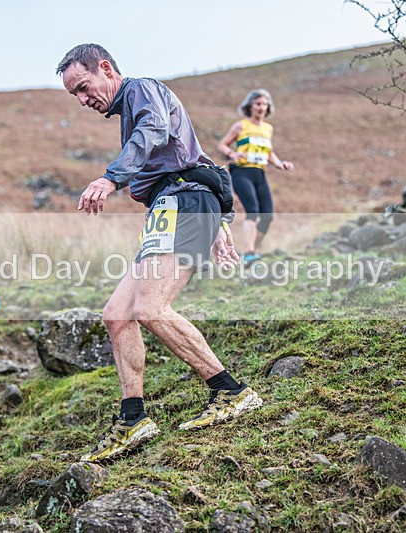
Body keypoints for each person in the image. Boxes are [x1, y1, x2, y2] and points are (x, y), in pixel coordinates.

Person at [57, 44, 263, 462]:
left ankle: (231, 391)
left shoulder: (141, 91)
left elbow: (152, 133)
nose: (82, 100)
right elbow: (197, 159)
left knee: (151, 308)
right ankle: (133, 418)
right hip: (170, 209)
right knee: (117, 314)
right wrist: (221, 223)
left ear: (106, 68)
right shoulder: (133, 106)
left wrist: (112, 178)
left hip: (184, 203)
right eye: (74, 96)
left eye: (83, 87)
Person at [217, 89, 294, 265]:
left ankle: (250, 253)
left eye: (264, 104)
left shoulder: (268, 128)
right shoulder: (241, 126)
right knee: (252, 211)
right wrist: (232, 154)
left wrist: (280, 163)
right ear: (250, 106)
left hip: (260, 173)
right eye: (258, 104)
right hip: (241, 172)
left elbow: (269, 152)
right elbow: (222, 144)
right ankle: (249, 252)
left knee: (267, 216)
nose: (261, 107)